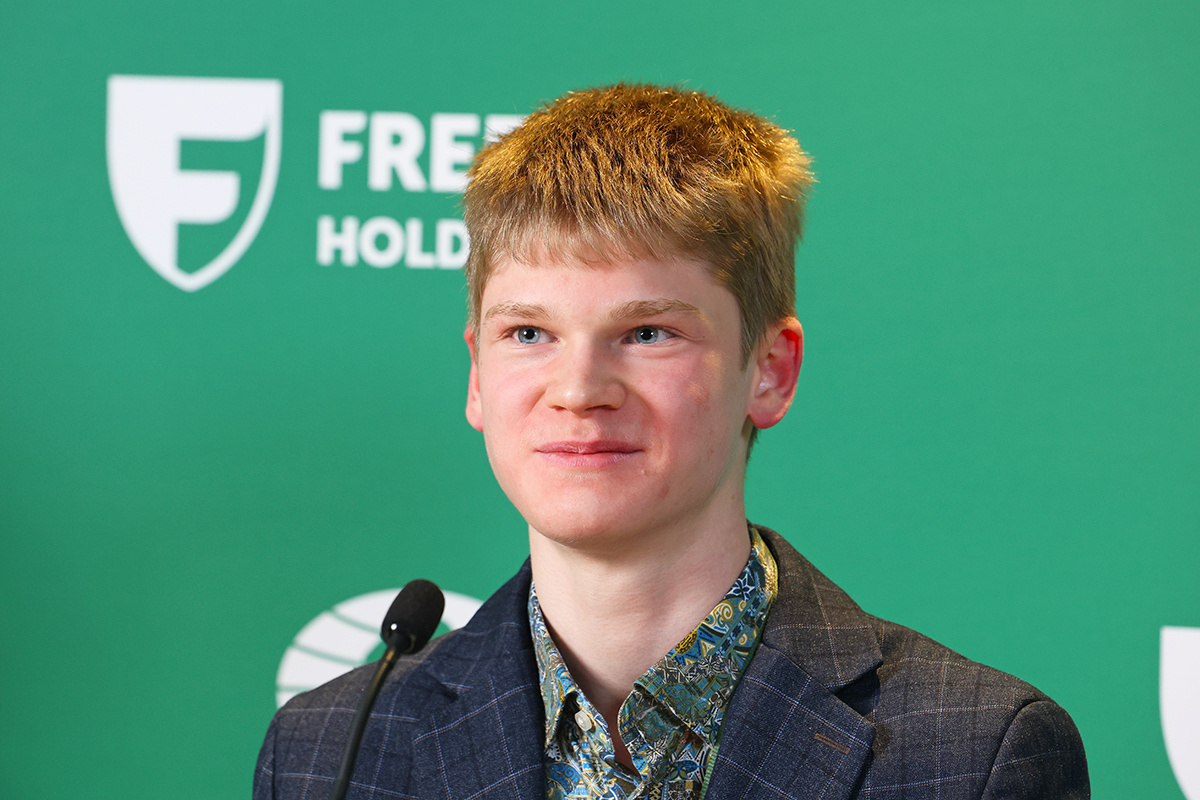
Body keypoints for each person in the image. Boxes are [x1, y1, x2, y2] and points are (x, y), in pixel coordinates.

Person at [254, 84, 1088, 799]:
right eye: (529, 333)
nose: (578, 390)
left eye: (648, 333)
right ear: (476, 375)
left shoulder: (973, 755)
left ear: (770, 371)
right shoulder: (327, 753)